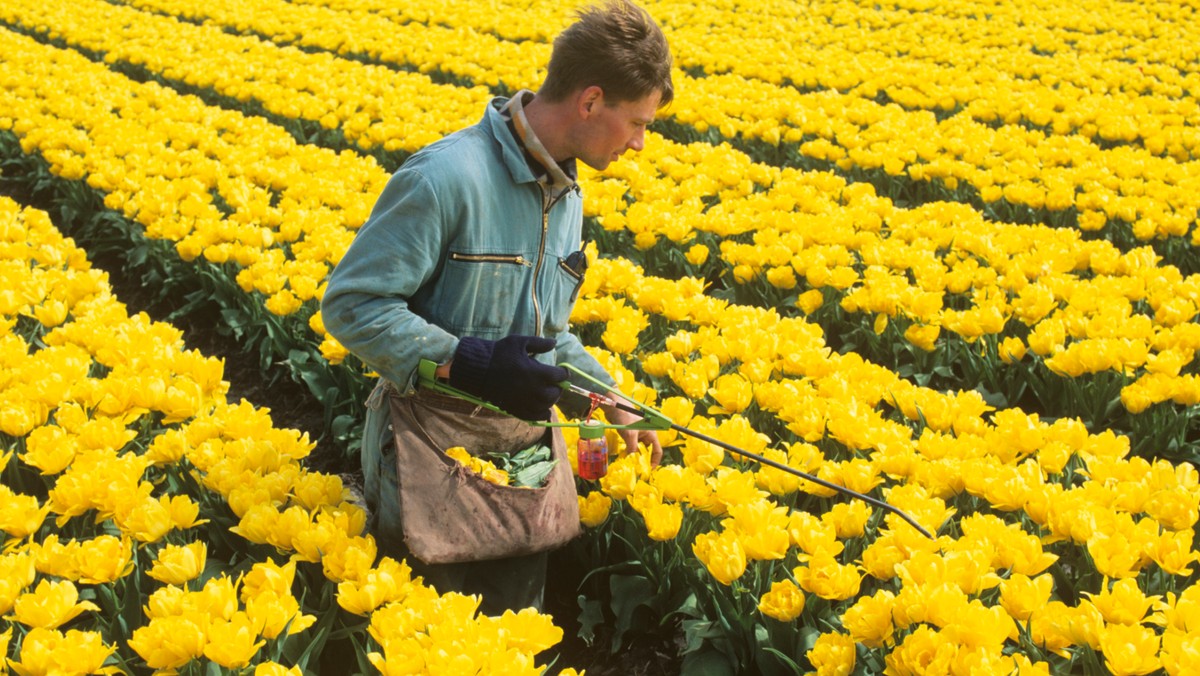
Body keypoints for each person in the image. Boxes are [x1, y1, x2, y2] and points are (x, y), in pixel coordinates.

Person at [320, 0, 672, 615]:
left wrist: (613, 402)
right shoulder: (444, 178)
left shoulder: (565, 194)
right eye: (638, 123)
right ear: (590, 102)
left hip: (523, 469)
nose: (641, 143)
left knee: (516, 636)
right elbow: (353, 306)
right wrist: (470, 363)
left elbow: (547, 338)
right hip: (428, 463)